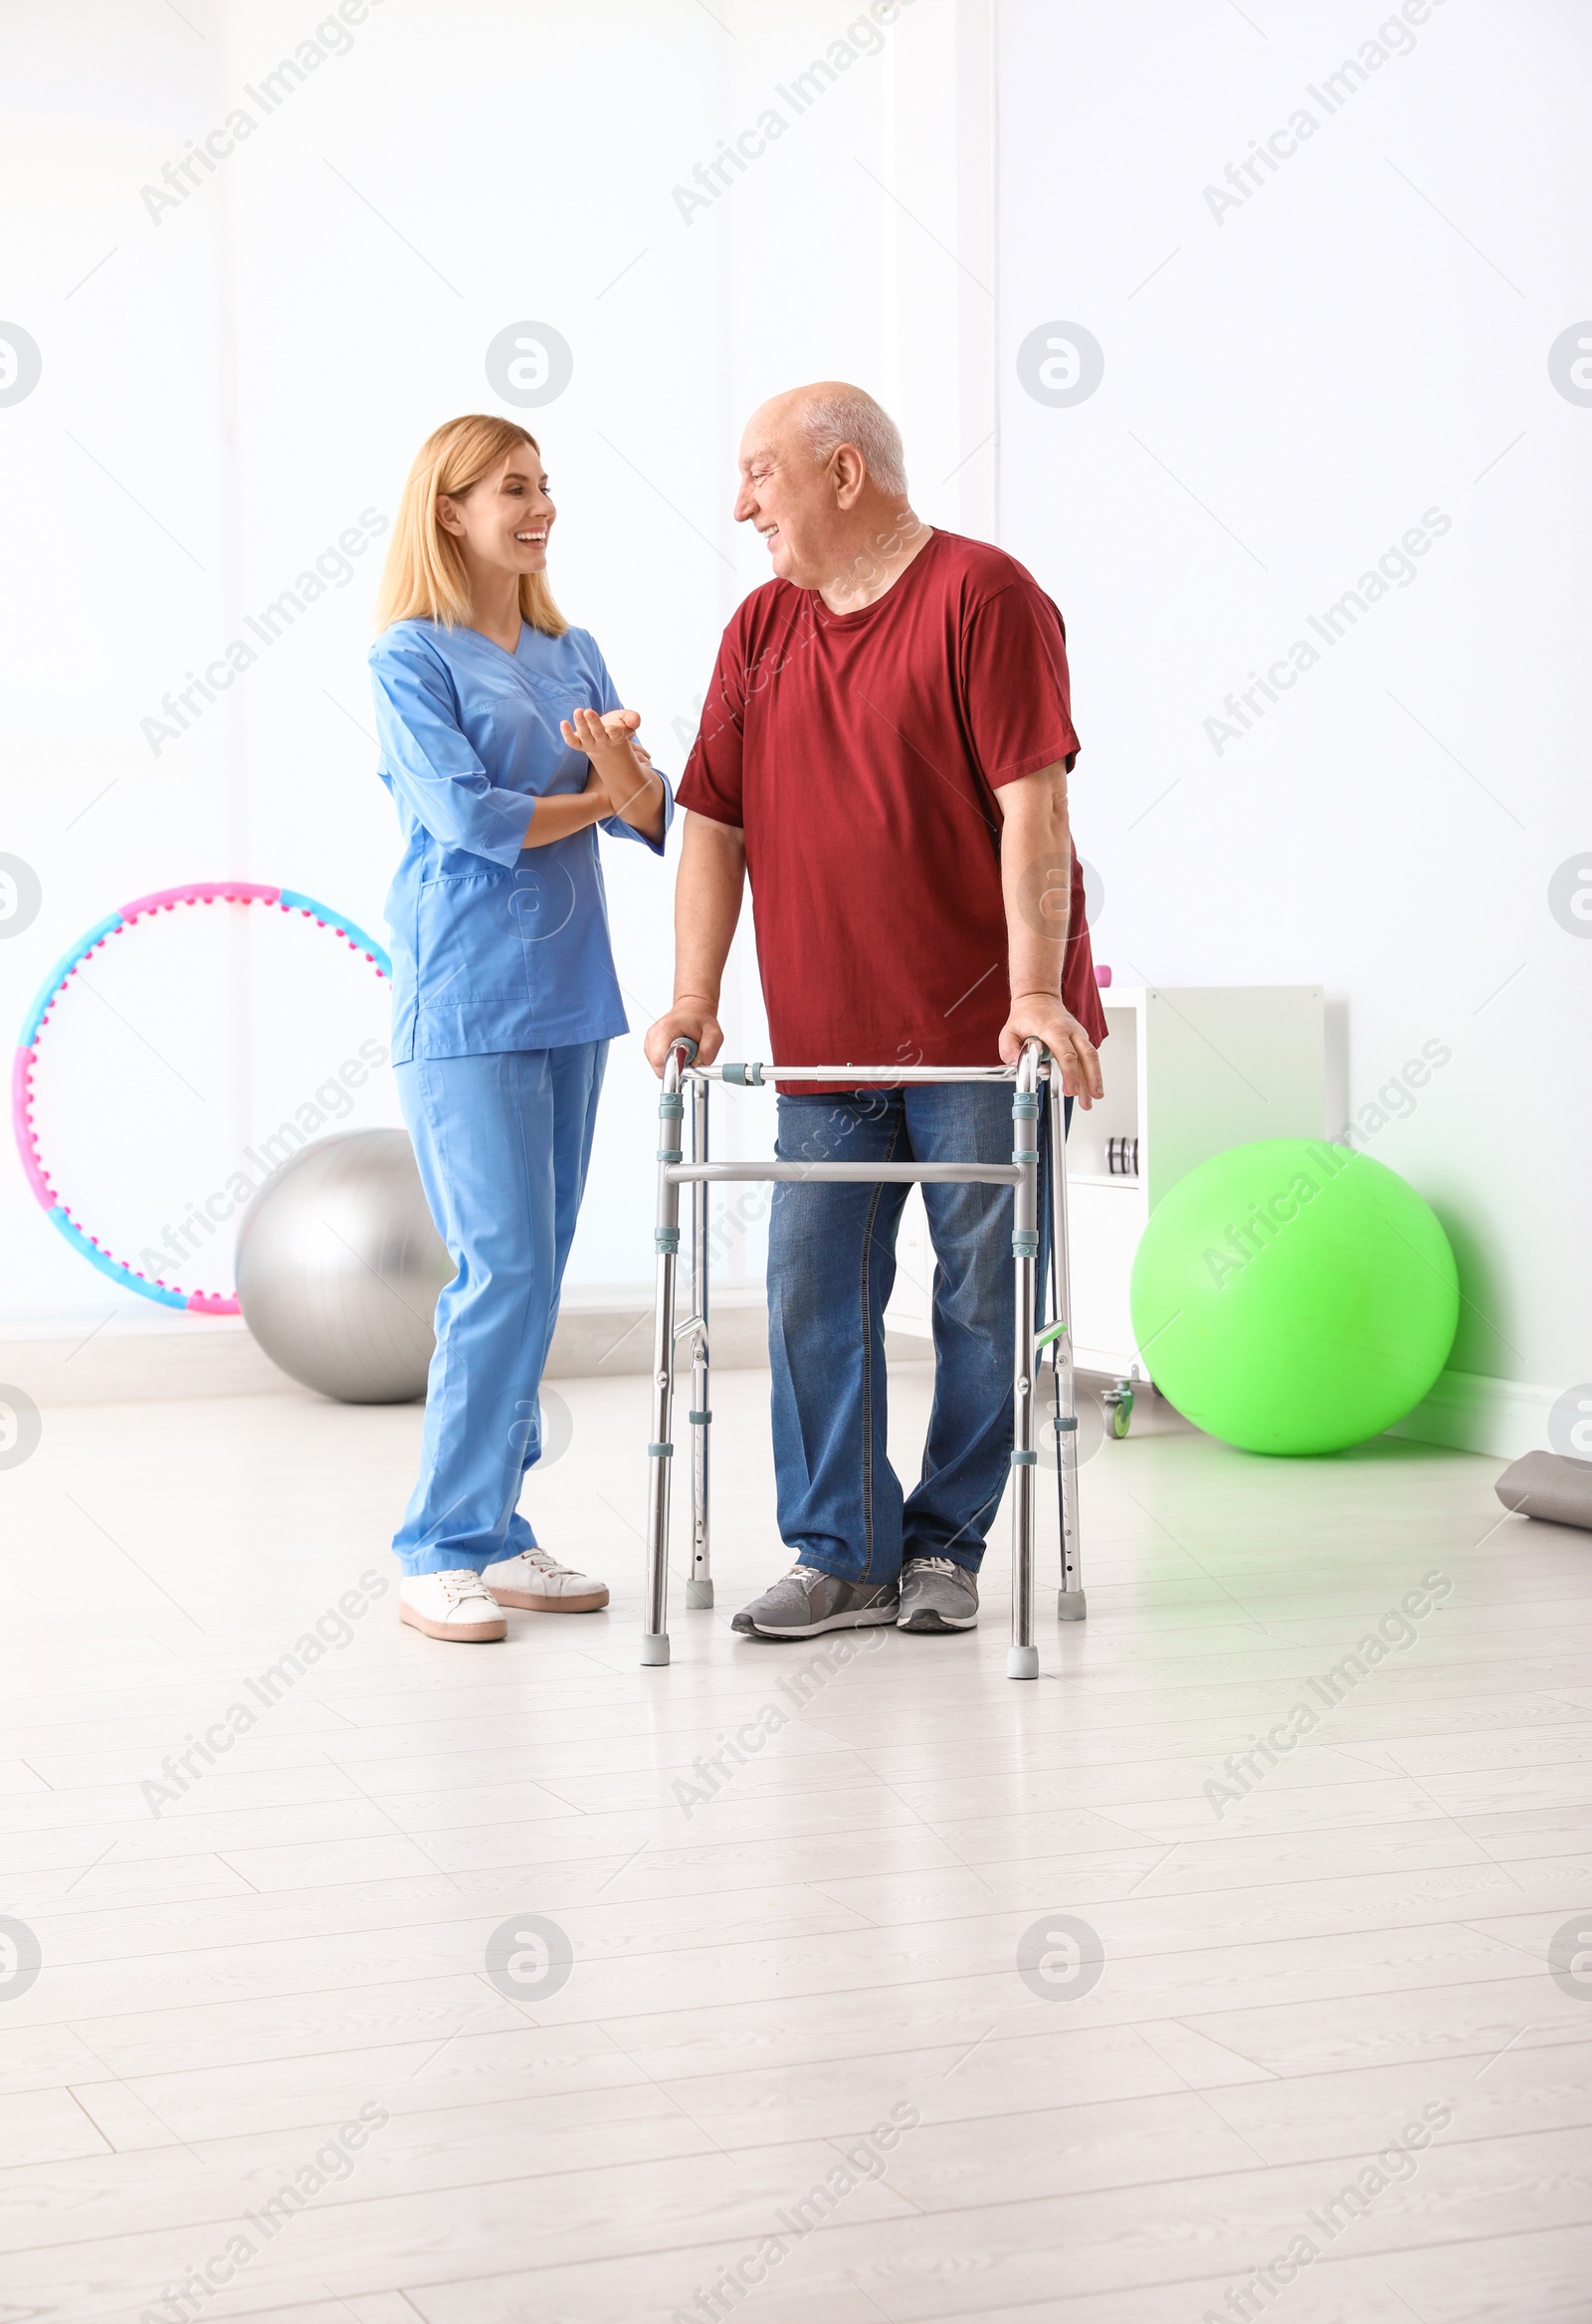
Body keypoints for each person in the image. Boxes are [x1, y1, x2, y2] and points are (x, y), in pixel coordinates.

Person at [647, 382, 1104, 1643]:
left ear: (844, 474)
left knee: (977, 1295)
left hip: (978, 1032)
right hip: (828, 1040)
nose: (742, 504)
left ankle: (945, 1545)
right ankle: (842, 1551)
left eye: (761, 474)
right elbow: (713, 825)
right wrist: (694, 994)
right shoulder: (759, 630)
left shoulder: (980, 596)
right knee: (810, 1282)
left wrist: (1027, 990)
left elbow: (1035, 810)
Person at [370, 414, 671, 1643]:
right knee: (499, 1269)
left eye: (546, 486)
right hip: (465, 997)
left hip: (570, 998)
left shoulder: (570, 646)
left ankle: (496, 1531)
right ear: (451, 508)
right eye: (512, 487)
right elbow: (465, 815)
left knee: (536, 1271)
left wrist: (623, 775)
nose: (538, 505)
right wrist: (599, 785)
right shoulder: (411, 655)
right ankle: (436, 1541)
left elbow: (648, 813)